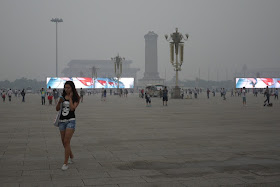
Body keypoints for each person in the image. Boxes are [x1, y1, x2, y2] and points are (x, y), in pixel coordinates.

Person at [56, 81, 80, 171]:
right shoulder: (62, 97)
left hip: (71, 121)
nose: (66, 89)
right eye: (65, 87)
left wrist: (70, 98)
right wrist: (59, 102)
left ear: (72, 88)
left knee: (66, 141)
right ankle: (71, 155)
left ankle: (65, 163)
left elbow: (73, 108)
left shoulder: (76, 97)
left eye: (68, 87)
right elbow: (57, 109)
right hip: (62, 121)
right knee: (64, 142)